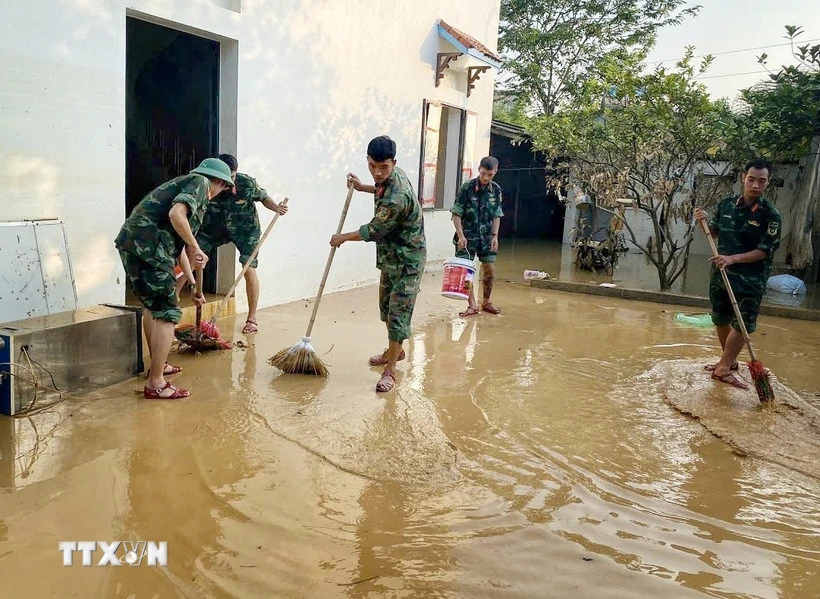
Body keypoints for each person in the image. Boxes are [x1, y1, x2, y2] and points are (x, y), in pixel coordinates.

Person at [115, 157, 235, 399]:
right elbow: (176, 215)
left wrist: (193, 284)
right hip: (150, 248)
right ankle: (156, 383)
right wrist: (196, 247)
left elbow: (177, 246)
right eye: (223, 187)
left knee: (153, 308)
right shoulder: (200, 183)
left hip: (136, 245)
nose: (220, 193)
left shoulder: (185, 185)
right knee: (168, 312)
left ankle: (157, 367)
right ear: (219, 182)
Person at [331, 136, 427, 393]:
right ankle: (396, 351)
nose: (377, 173)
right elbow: (381, 188)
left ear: (393, 162)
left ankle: (390, 370)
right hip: (391, 257)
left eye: (383, 168)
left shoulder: (398, 196)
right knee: (386, 309)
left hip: (408, 261)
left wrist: (342, 238)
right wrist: (363, 187)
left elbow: (373, 230)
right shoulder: (390, 177)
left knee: (397, 316)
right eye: (372, 166)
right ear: (368, 160)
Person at [694, 158, 782, 390]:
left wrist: (732, 259)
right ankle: (729, 361)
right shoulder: (726, 205)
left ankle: (723, 369)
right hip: (721, 274)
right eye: (751, 179)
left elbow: (765, 251)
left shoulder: (770, 215)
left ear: (768, 182)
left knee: (743, 323)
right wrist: (701, 222)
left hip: (750, 279)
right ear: (744, 178)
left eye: (761, 181)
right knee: (720, 318)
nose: (755, 185)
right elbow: (713, 232)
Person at [179, 153, 288, 334]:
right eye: (223, 177)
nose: (228, 183)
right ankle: (172, 303)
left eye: (232, 177)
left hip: (245, 229)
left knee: (248, 268)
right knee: (191, 258)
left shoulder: (246, 183)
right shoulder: (206, 183)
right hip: (213, 227)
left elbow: (263, 197)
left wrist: (276, 207)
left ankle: (252, 319)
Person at [451, 156, 503, 317]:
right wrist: (460, 235)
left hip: (487, 237)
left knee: (490, 270)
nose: (486, 178)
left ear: (495, 172)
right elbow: (456, 213)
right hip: (467, 237)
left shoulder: (496, 190)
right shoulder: (466, 188)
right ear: (479, 169)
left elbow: (497, 214)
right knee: (466, 272)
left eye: (490, 174)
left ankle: (486, 302)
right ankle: (472, 304)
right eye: (483, 173)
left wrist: (495, 236)